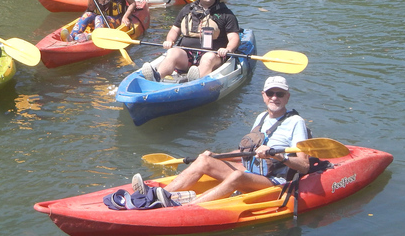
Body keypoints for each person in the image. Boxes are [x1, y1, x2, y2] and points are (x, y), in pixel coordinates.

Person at [132, 76, 310, 205]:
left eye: (280, 94)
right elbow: (246, 154)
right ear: (263, 95)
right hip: (251, 170)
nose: (274, 97)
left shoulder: (296, 122)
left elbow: (304, 165)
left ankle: (188, 207)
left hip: (274, 181)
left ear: (287, 97)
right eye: (271, 93)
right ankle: (157, 196)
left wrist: (280, 157)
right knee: (204, 160)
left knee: (238, 175)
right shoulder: (262, 117)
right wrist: (217, 156)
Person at [141, 0, 239, 82]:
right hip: (187, 54)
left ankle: (194, 80)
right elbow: (175, 29)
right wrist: (169, 40)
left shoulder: (226, 14)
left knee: (208, 58)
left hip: (213, 56)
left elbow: (234, 38)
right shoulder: (187, 9)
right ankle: (157, 76)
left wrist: (228, 49)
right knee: (173, 52)